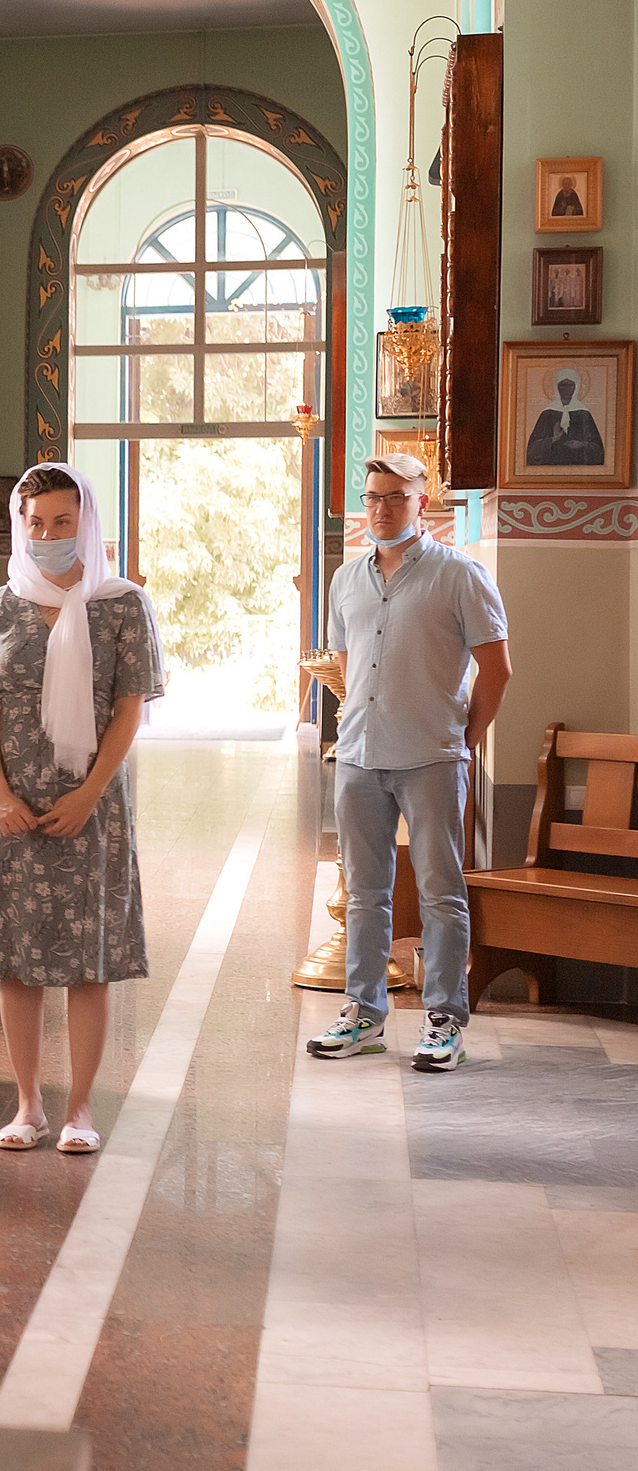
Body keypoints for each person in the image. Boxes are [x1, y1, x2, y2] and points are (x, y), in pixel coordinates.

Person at [0, 463, 163, 1155]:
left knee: (87, 959)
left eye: (61, 521)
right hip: (9, 806)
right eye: (35, 522)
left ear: (87, 522)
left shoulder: (122, 603)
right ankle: (27, 1104)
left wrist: (88, 792)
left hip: (91, 804)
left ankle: (79, 1109)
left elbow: (130, 707)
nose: (46, 534)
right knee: (16, 960)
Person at [306, 453, 509, 1073]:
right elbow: (346, 664)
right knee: (366, 895)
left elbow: (497, 669)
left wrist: (465, 738)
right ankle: (364, 1016)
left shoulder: (460, 576)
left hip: (431, 757)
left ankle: (445, 1021)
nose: (382, 508)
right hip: (359, 758)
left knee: (441, 890)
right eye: (372, 498)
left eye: (396, 497)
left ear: (424, 501)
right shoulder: (347, 579)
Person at [525, 372, 605, 466]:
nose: (566, 389)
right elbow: (532, 448)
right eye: (563, 385)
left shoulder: (584, 414)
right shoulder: (547, 414)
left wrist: (582, 444)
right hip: (552, 465)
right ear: (557, 387)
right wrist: (552, 440)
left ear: (576, 387)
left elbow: (598, 449)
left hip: (578, 466)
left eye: (570, 385)